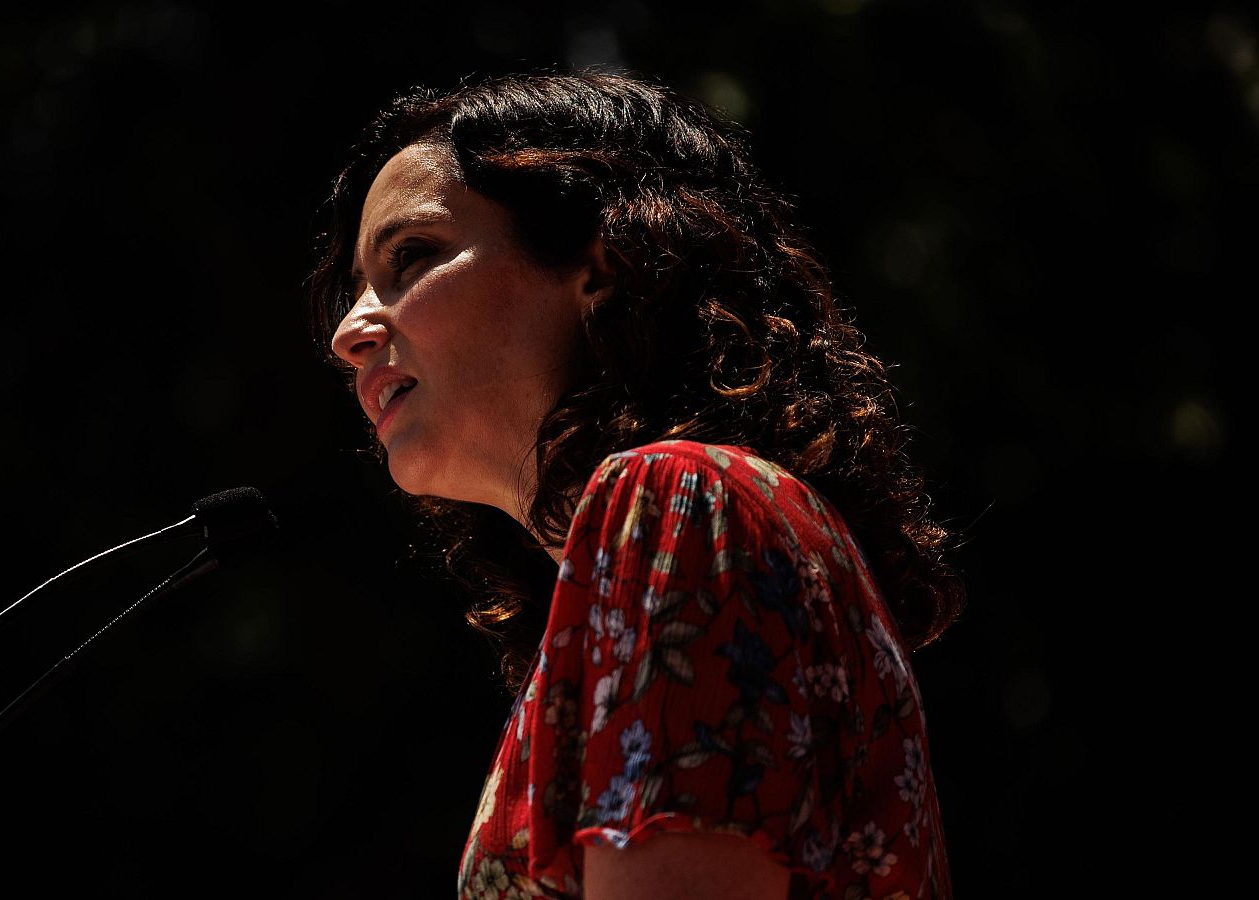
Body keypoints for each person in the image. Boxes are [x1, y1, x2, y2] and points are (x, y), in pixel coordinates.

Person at [306, 67, 965, 900]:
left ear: (601, 259)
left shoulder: (683, 497)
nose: (349, 332)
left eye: (412, 257)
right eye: (357, 287)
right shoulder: (701, 516)